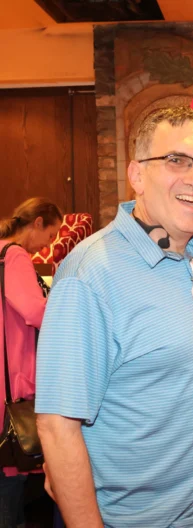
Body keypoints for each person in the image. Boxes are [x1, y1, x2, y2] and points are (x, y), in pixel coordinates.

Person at [35, 106, 193, 528]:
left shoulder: (189, 251)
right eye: (175, 160)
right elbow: (57, 428)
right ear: (137, 175)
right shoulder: (91, 273)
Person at [0, 197, 62, 528]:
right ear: (36, 223)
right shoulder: (16, 256)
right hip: (13, 368)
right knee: (10, 470)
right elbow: (34, 310)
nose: (47, 246)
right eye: (50, 236)